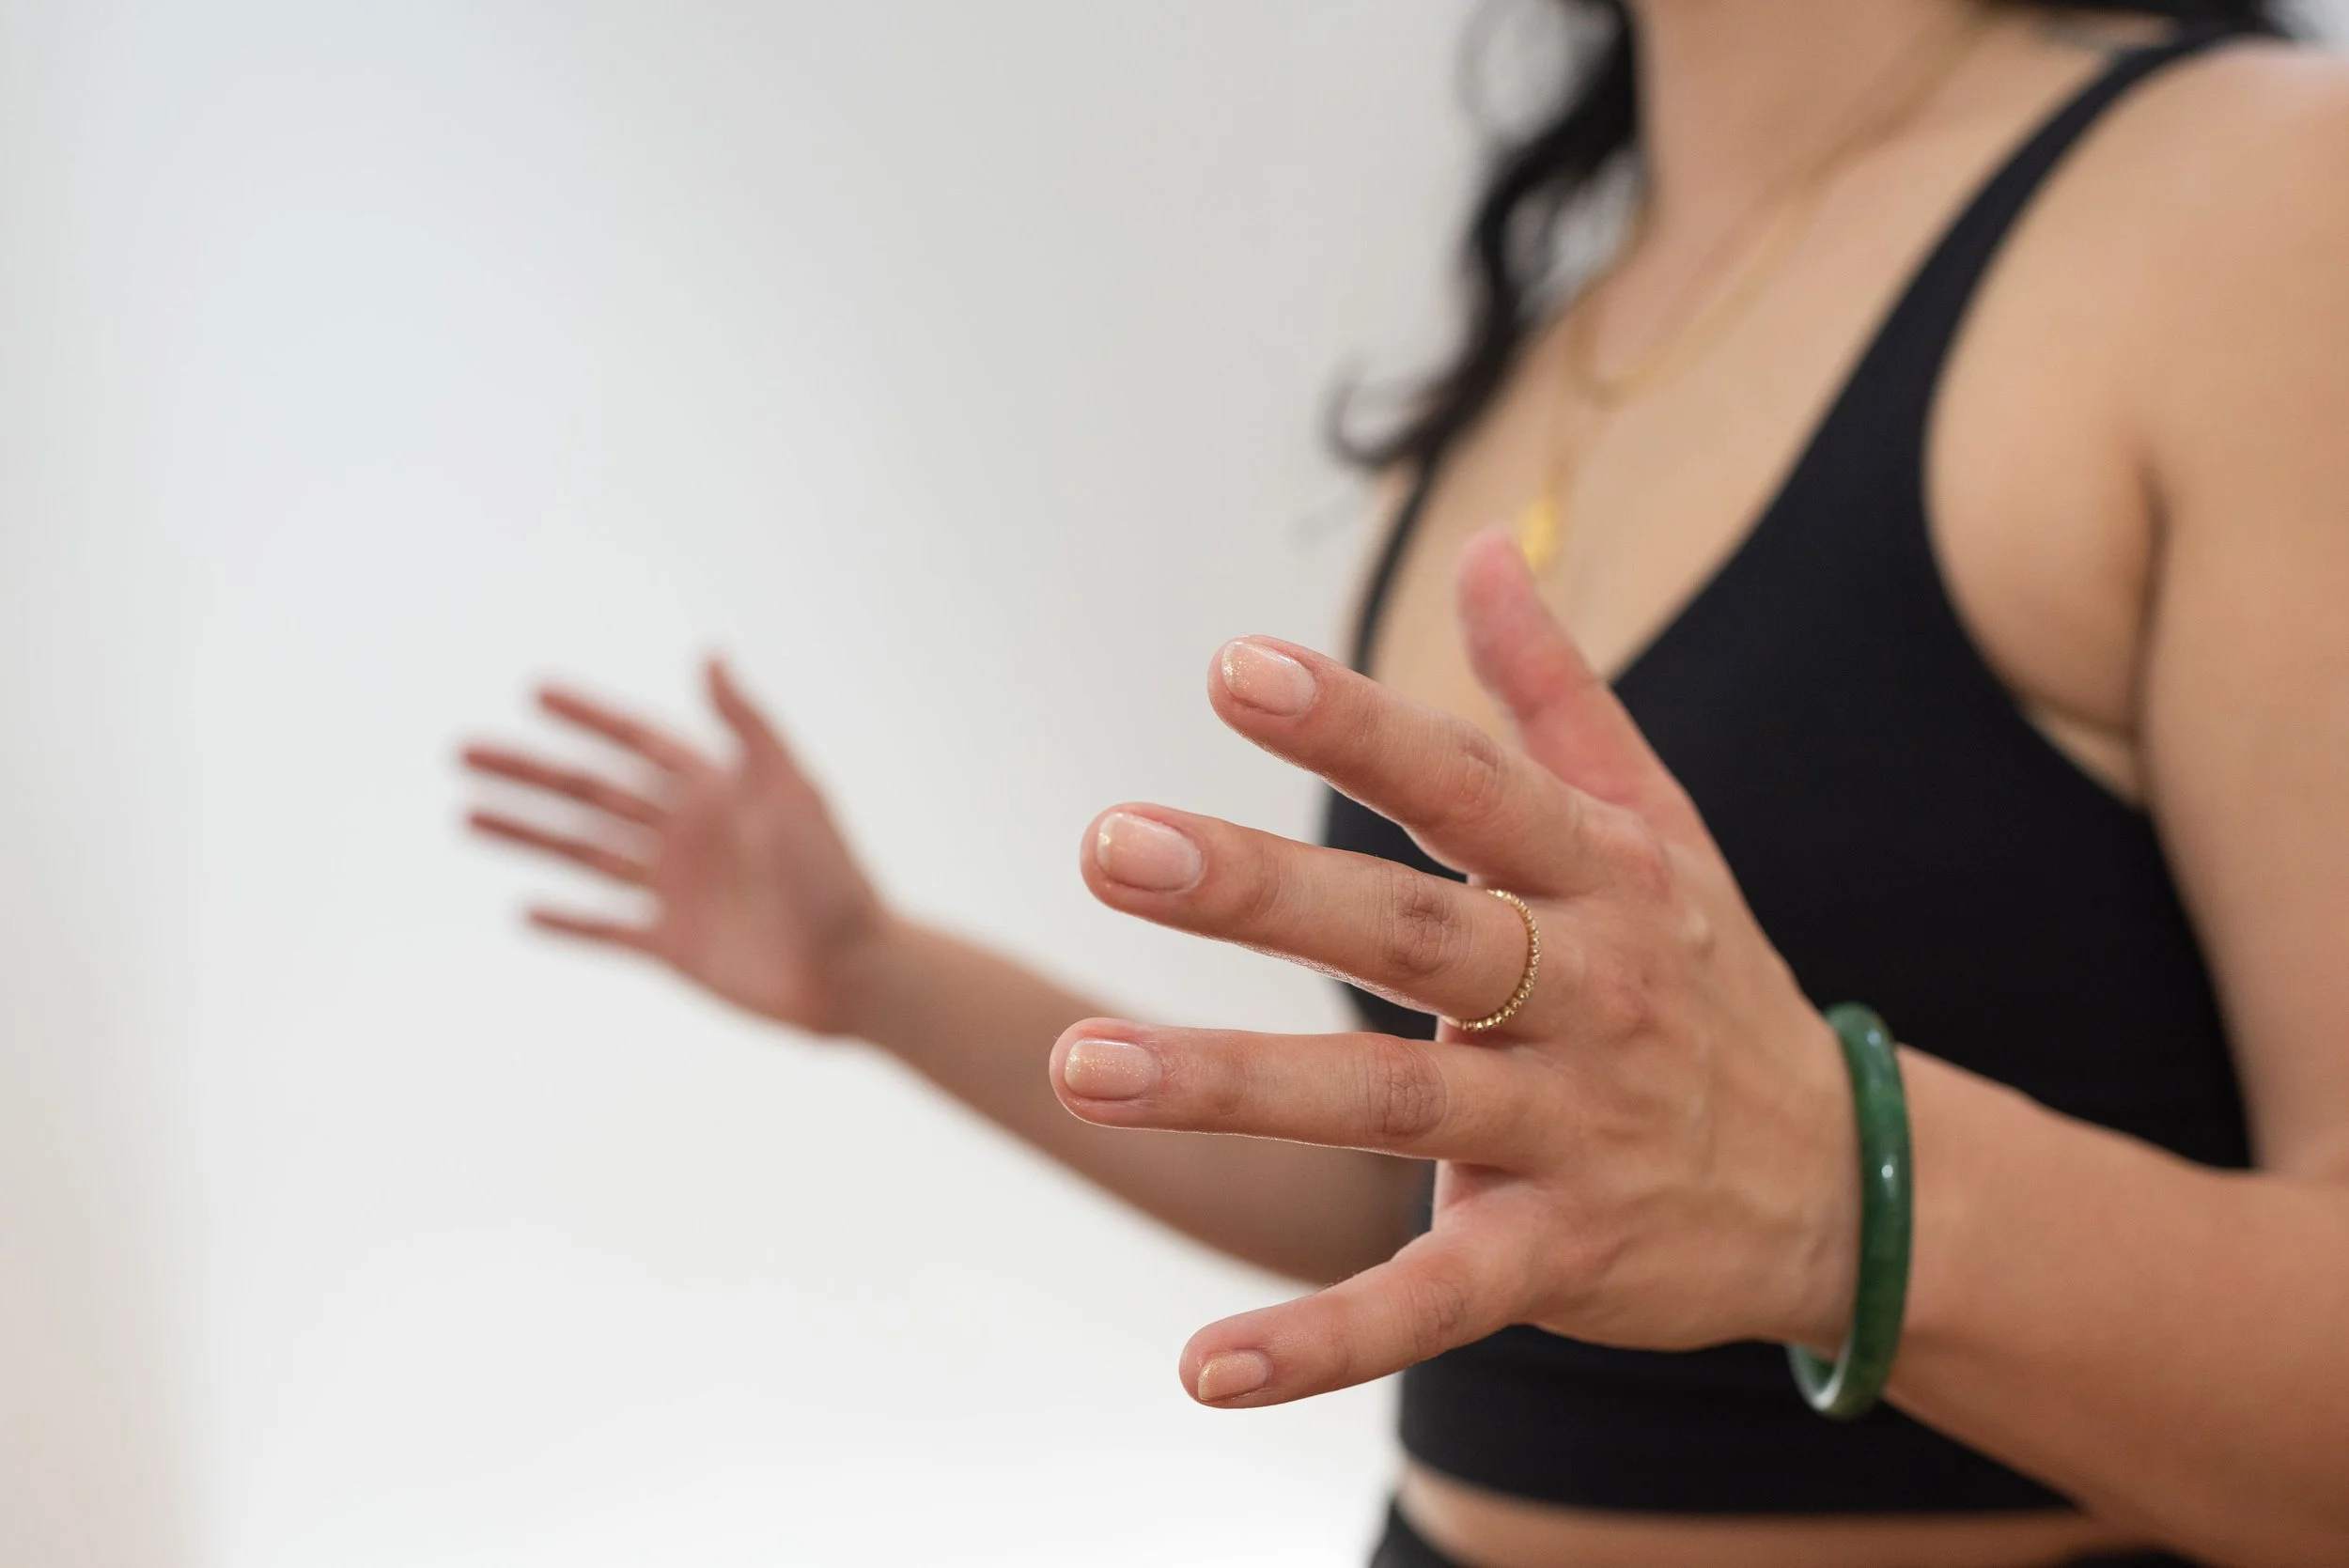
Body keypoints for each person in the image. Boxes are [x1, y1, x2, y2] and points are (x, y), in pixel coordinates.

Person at [460, 2, 2349, 1563]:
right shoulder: (1535, 366)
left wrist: (1825, 1189)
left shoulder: (2257, 202)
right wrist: (879, 975)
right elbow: (1452, 1213)